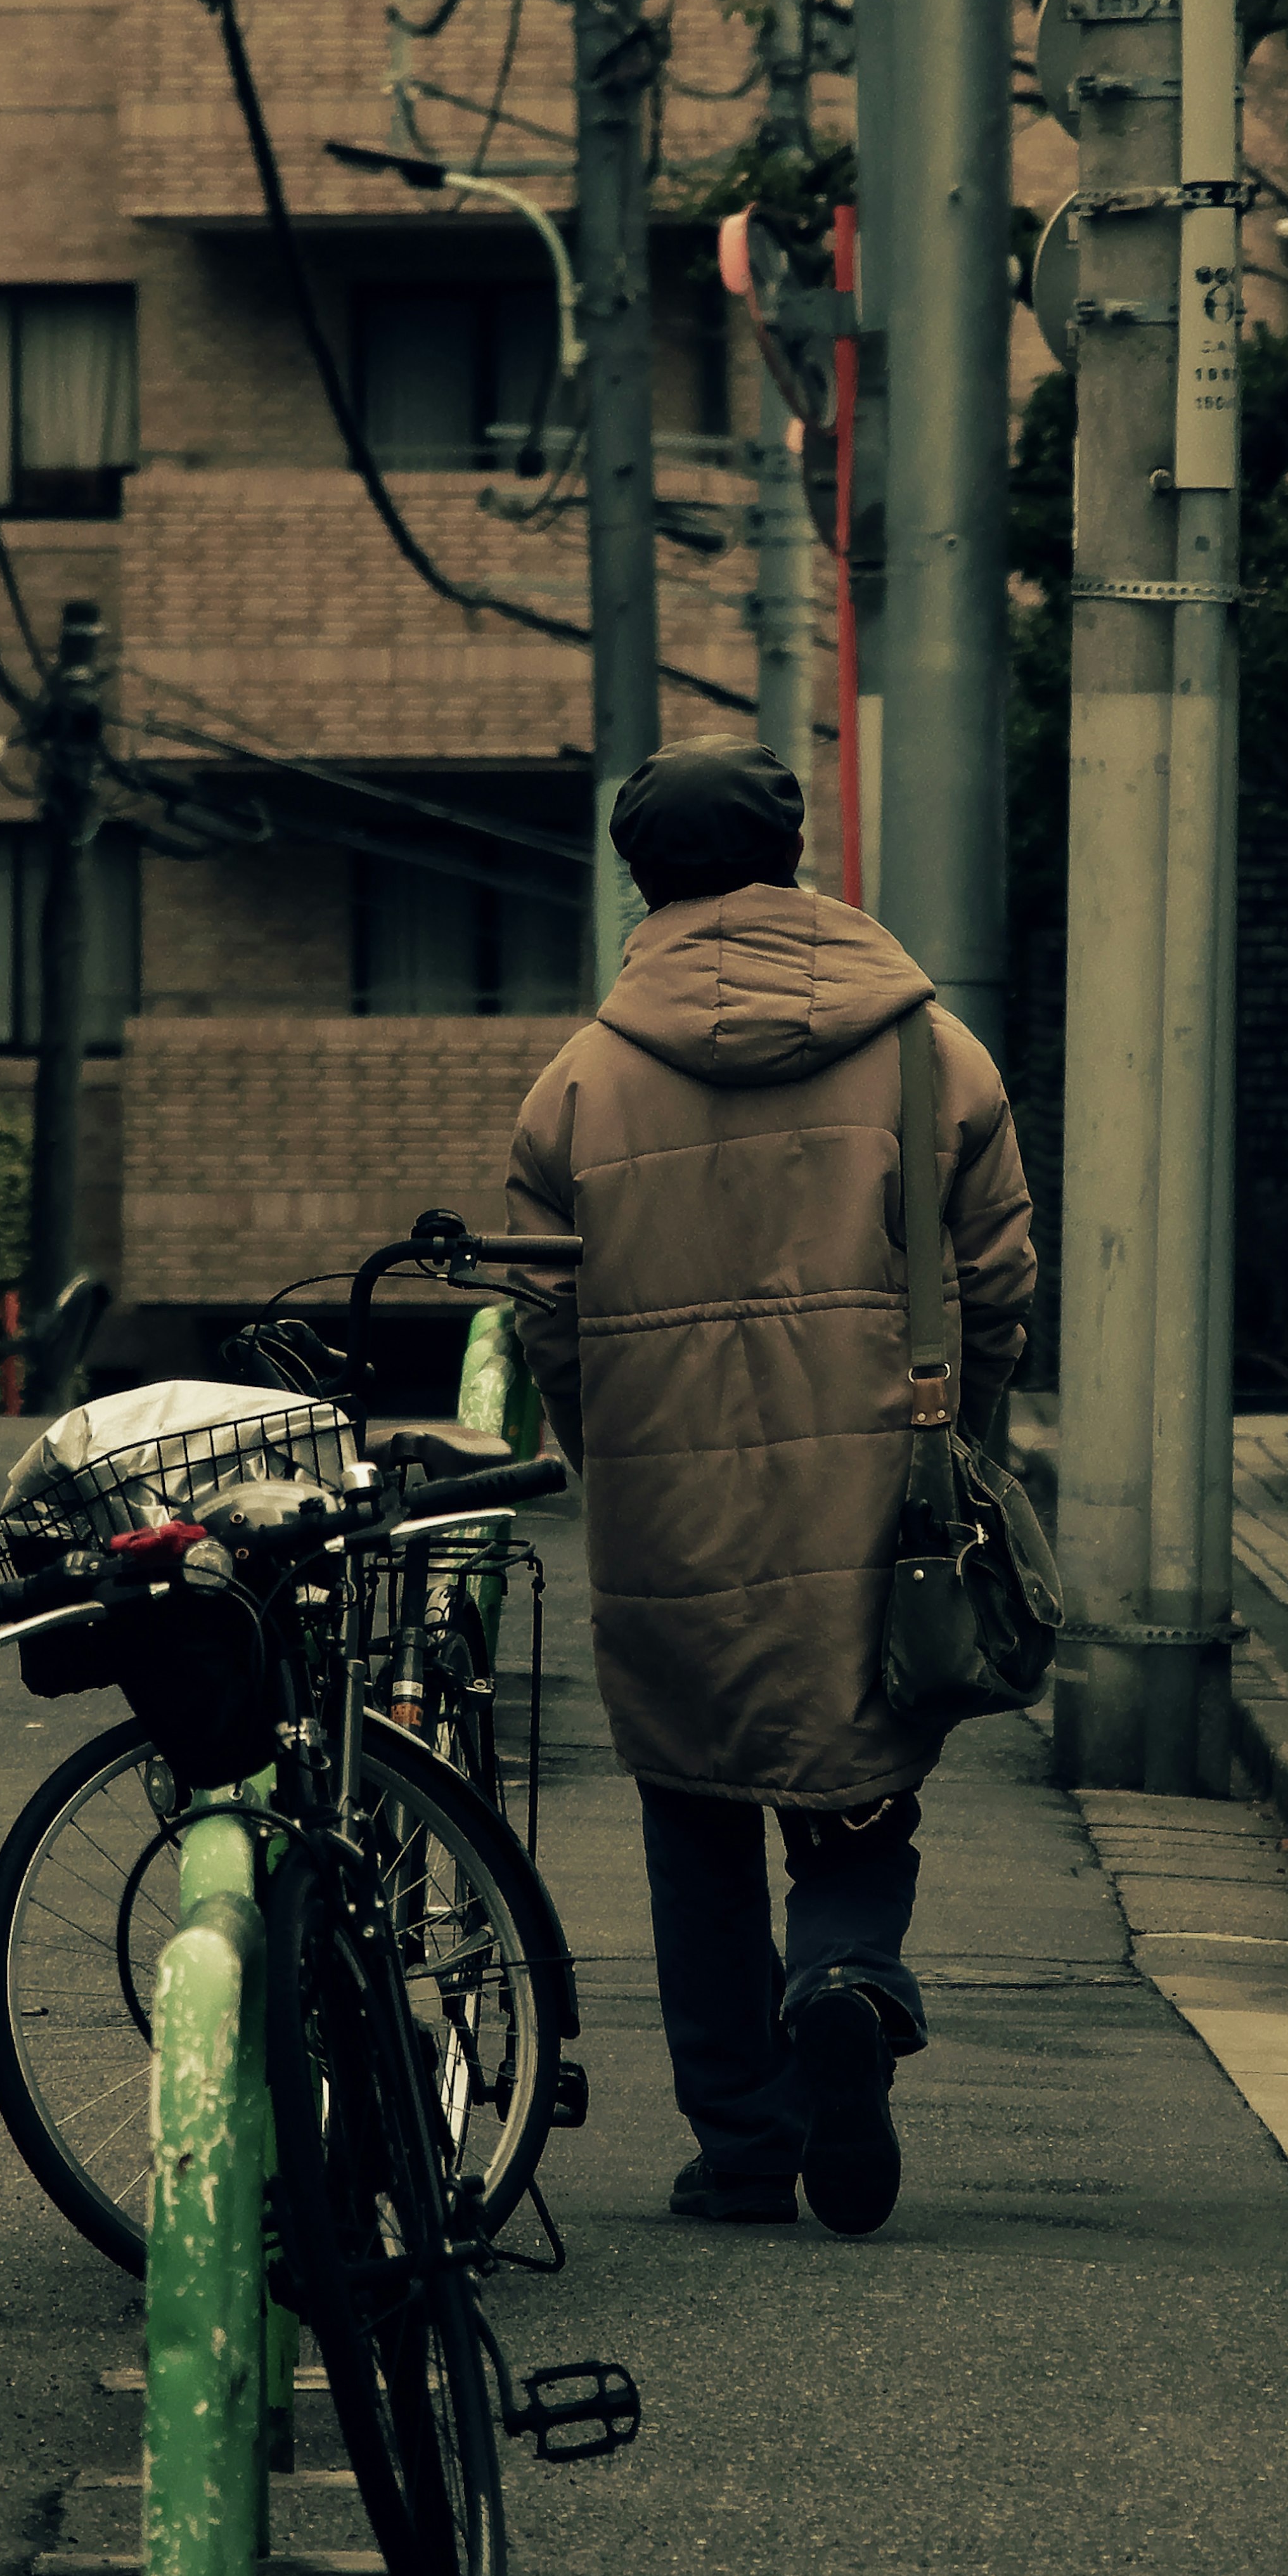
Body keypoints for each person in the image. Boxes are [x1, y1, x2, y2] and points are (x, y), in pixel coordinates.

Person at [505, 736, 1034, 2238]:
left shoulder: (581, 1081)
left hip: (669, 1494)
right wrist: (962, 1434)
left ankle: (743, 2145)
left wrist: (607, 1454)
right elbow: (996, 1278)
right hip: (878, 1479)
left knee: (696, 1804)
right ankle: (849, 1980)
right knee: (858, 1787)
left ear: (640, 876)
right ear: (793, 858)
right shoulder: (933, 1052)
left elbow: (549, 1314)